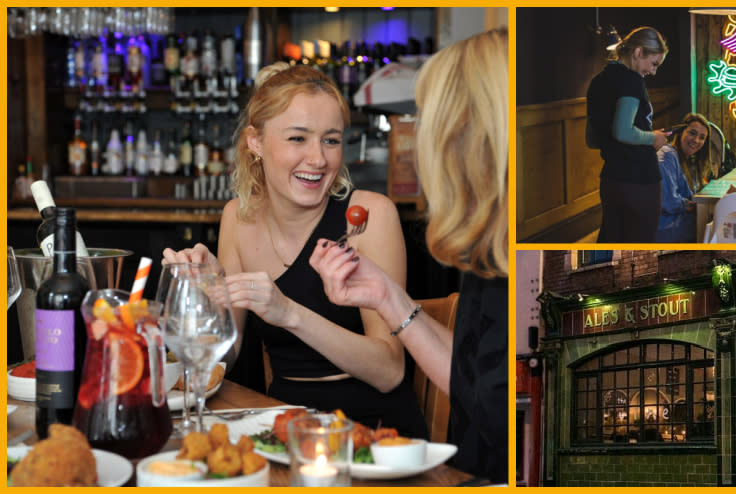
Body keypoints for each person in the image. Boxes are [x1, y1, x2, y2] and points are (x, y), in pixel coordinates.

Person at [162, 63, 427, 439]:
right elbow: (224, 361)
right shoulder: (237, 217)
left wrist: (288, 312)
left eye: (331, 140)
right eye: (298, 139)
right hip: (280, 427)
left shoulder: (368, 217)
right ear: (255, 142)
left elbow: (389, 371)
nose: (318, 159)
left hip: (373, 434)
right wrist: (204, 293)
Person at [309, 28, 508, 484]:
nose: (419, 138)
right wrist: (387, 297)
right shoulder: (490, 248)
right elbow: (474, 380)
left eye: (425, 119)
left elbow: (499, 409)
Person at [585, 26, 670, 243]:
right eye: (654, 64)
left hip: (611, 180)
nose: (654, 72)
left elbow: (592, 139)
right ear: (638, 52)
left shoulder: (597, 81)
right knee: (641, 245)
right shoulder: (631, 81)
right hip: (640, 180)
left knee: (611, 240)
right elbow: (623, 131)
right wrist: (653, 138)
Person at [655, 113, 712, 242]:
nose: (696, 140)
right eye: (692, 133)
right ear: (681, 132)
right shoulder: (667, 155)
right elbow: (668, 201)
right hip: (666, 230)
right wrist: (694, 206)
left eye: (702, 137)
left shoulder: (686, 160)